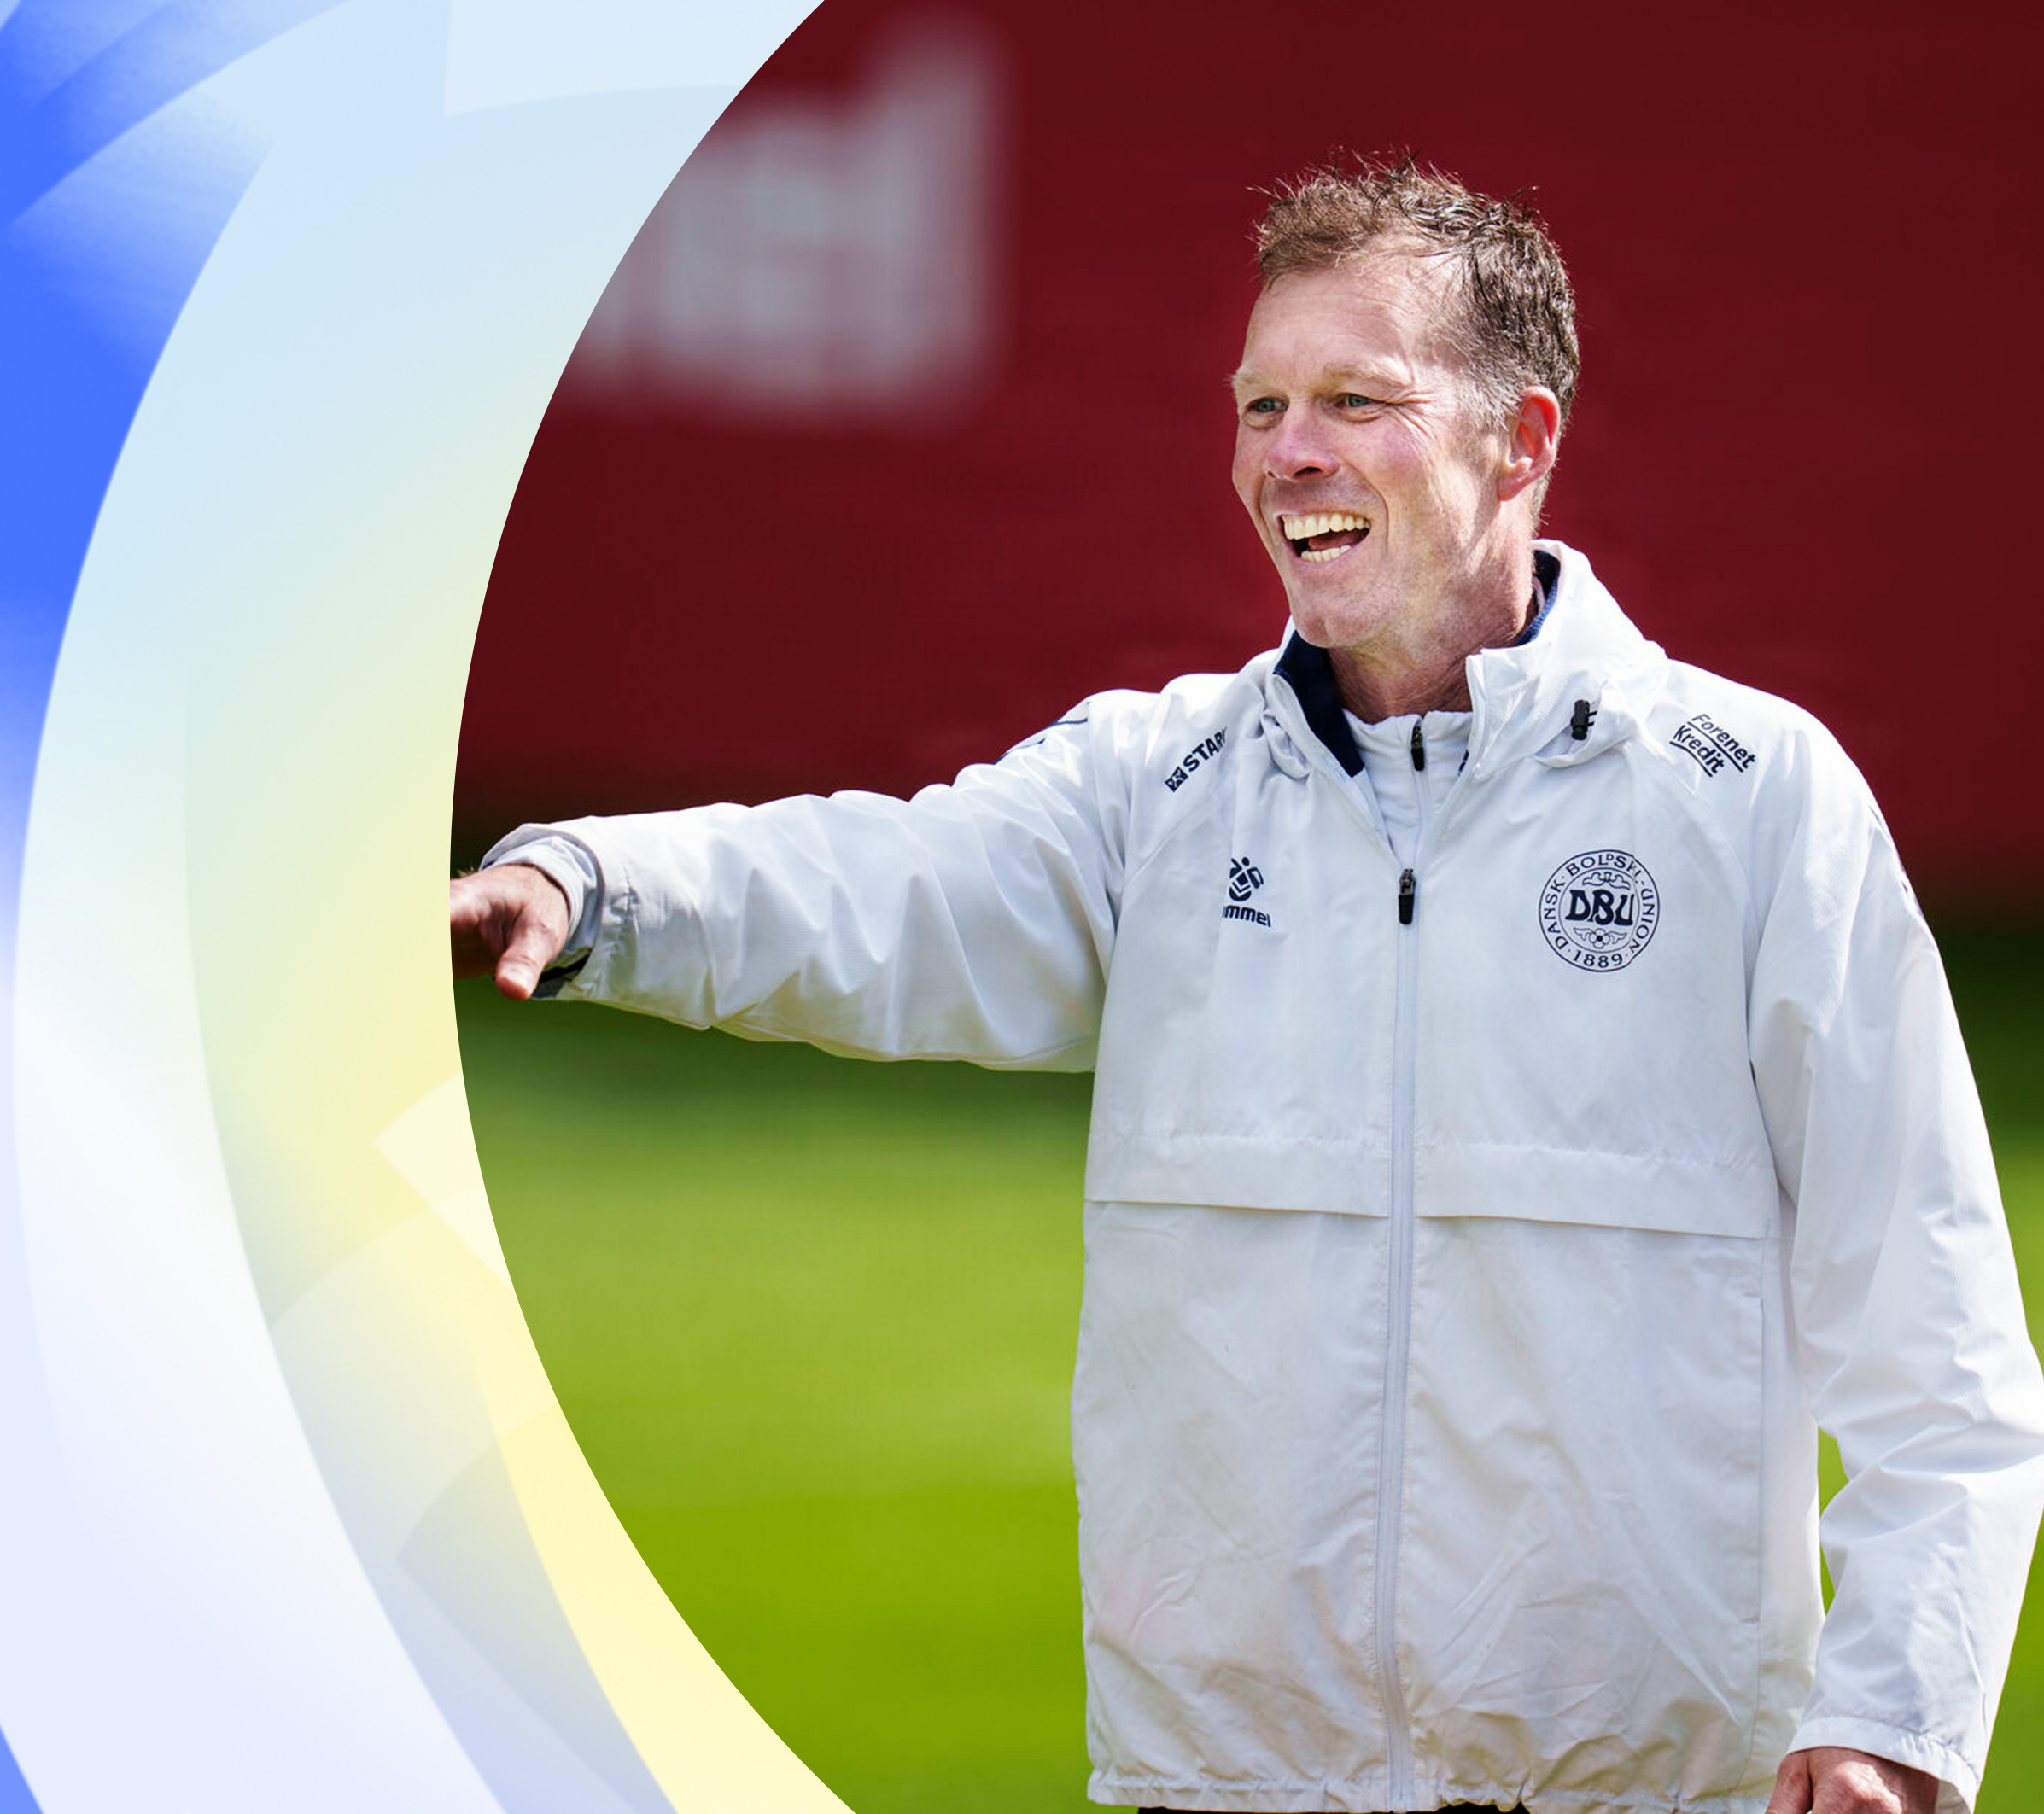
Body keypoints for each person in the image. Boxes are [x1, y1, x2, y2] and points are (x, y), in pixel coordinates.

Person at [450, 160, 2044, 1814]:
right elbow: (881, 881)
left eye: (1356, 400)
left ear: (1521, 442)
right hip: (1224, 1787)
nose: (1289, 454)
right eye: (1261, 405)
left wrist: (1897, 1715)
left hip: (1647, 1792)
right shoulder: (1157, 787)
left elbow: (1933, 1330)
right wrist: (588, 884)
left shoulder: (1753, 800)